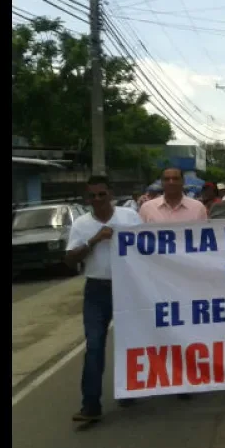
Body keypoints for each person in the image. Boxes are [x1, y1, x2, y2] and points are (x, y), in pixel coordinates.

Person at [65, 176, 142, 422]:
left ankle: (128, 391)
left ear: (111, 194)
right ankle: (90, 405)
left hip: (128, 287)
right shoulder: (81, 224)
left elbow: (148, 245)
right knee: (95, 345)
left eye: (102, 194)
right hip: (97, 289)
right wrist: (94, 240)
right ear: (87, 198)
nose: (97, 199)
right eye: (92, 196)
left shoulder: (129, 217)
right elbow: (70, 259)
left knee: (129, 342)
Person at [138, 167, 208, 400]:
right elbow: (136, 243)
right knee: (161, 328)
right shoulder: (147, 209)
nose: (170, 182)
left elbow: (206, 244)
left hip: (187, 281)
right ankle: (165, 373)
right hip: (156, 281)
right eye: (166, 179)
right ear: (161, 182)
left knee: (186, 328)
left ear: (182, 182)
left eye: (175, 179)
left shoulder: (198, 209)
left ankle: (185, 378)